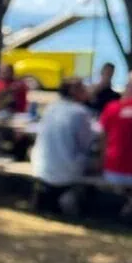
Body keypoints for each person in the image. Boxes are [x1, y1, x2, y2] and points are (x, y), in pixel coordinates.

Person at [31, 77, 95, 214]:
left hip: (40, 167)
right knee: (96, 161)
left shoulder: (51, 108)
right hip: (67, 172)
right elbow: (87, 144)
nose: (86, 91)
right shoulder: (80, 113)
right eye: (82, 88)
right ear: (74, 92)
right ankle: (80, 200)